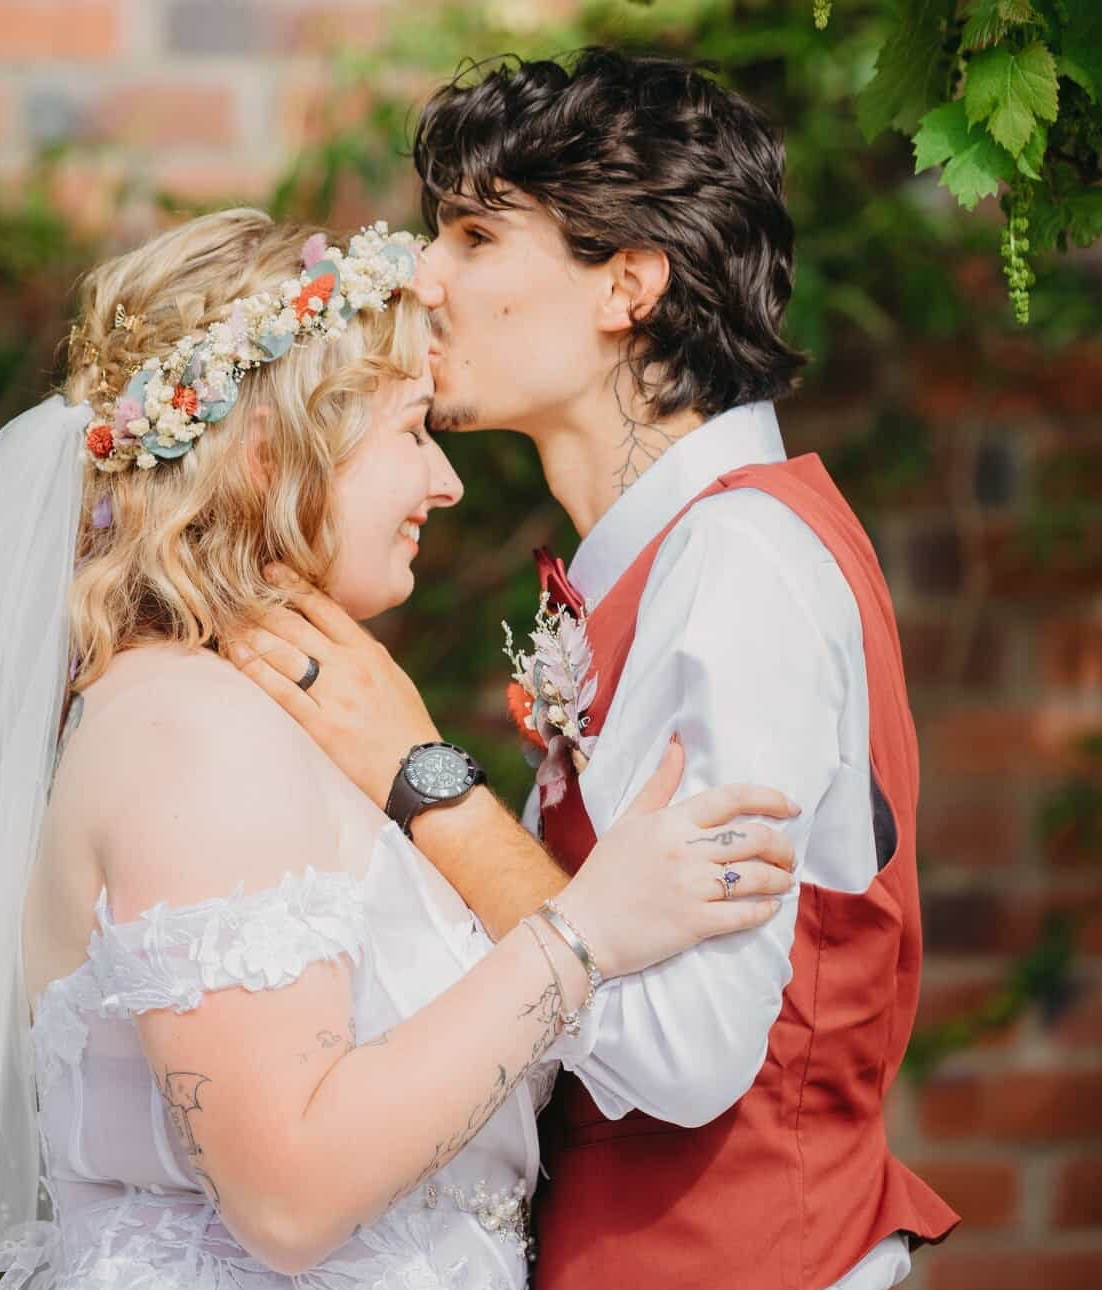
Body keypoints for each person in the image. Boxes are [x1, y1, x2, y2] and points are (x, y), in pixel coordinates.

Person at [0, 208, 799, 1290]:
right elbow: (289, 1193)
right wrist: (582, 935)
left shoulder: (243, 717)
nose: (447, 483)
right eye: (412, 431)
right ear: (272, 450)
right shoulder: (189, 737)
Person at [229, 50, 962, 1290]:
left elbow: (680, 1053)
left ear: (627, 283)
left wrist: (427, 785)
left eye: (473, 233)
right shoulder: (678, 557)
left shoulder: (741, 570)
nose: (423, 275)